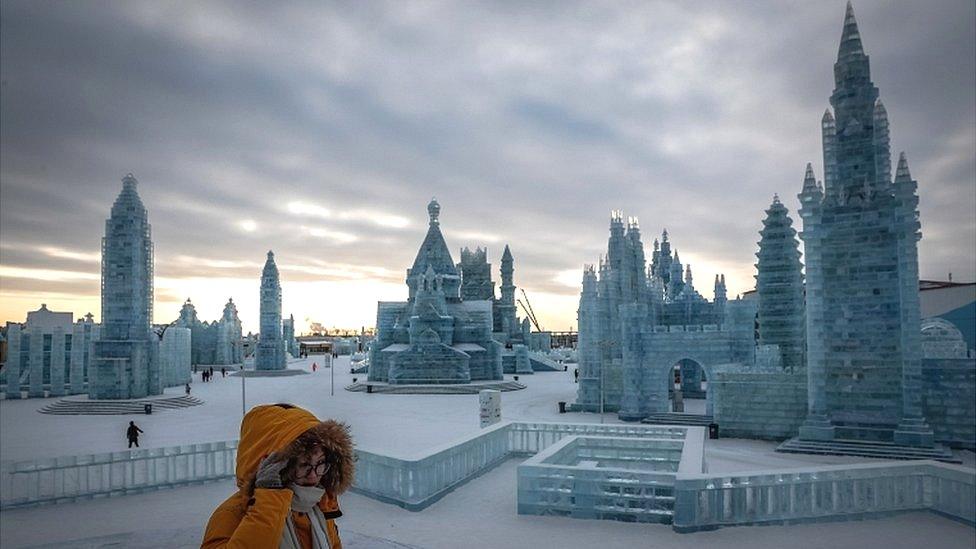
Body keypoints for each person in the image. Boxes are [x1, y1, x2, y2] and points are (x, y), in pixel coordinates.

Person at [202, 404, 354, 549]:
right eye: (304, 464)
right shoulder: (233, 514)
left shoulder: (318, 506)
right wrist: (269, 502)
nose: (313, 475)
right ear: (275, 464)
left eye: (321, 463)